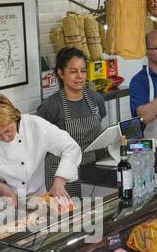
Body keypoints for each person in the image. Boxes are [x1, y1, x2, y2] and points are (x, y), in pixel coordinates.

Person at [0, 94, 82, 230]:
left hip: (37, 201)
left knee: (37, 242)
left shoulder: (34, 125)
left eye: (8, 130)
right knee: (3, 247)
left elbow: (70, 147)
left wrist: (60, 181)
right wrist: (1, 187)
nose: (5, 137)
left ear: (15, 117)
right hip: (1, 205)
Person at [37, 47, 108, 202]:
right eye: (73, 71)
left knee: (93, 217)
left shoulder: (95, 99)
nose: (80, 76)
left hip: (91, 167)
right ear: (61, 73)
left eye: (83, 71)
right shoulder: (51, 106)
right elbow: (41, 144)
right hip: (61, 174)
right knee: (66, 218)